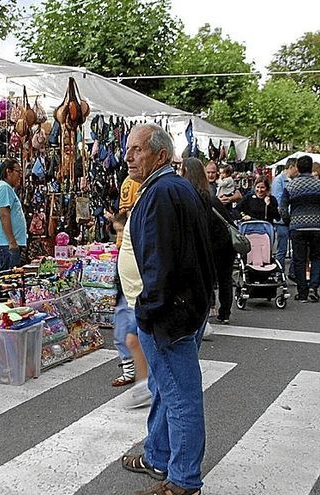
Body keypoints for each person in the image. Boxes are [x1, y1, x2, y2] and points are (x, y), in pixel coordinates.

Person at [118, 124, 214, 495]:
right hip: (183, 307)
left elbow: (160, 262)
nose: (129, 156)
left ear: (159, 155)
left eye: (138, 149)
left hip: (168, 314)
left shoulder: (161, 193)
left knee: (181, 398)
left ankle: (184, 481)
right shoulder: (173, 187)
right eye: (128, 149)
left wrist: (148, 311)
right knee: (164, 388)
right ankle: (158, 456)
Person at [182, 157, 235, 325]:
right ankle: (224, 312)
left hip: (209, 245)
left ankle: (207, 309)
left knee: (206, 279)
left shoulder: (191, 198)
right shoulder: (211, 198)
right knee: (225, 279)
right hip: (225, 244)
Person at [109, 211, 151, 408]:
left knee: (134, 339)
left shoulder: (136, 243)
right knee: (125, 337)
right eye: (116, 232)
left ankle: (145, 384)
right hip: (125, 297)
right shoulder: (123, 246)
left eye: (121, 232)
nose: (118, 237)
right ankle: (137, 378)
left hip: (136, 297)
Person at [280, 155, 320, 302]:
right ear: (311, 168)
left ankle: (302, 291)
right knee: (316, 258)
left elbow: (283, 208)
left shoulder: (290, 186)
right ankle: (313, 287)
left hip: (297, 226)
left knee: (299, 259)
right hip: (317, 226)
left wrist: (288, 221)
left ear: (298, 168)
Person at [0, 159, 26, 271]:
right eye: (18, 172)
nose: (20, 176)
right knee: (9, 279)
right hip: (6, 245)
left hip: (7, 244)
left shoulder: (5, 188)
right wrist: (12, 241)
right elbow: (4, 215)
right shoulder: (3, 188)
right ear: (8, 171)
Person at [271, 159, 298, 271]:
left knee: (296, 249)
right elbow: (278, 201)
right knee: (281, 249)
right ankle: (280, 273)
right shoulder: (279, 181)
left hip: (293, 219)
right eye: (296, 168)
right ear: (291, 167)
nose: (298, 171)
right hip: (282, 221)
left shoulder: (293, 180)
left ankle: (292, 272)